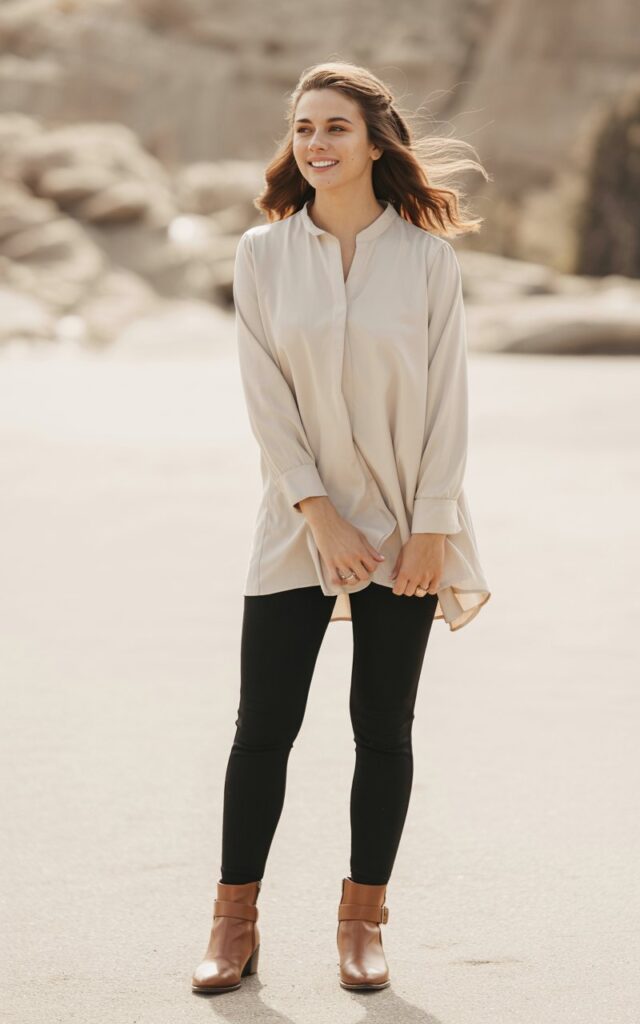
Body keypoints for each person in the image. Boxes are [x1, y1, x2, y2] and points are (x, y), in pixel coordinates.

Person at [192, 59, 492, 996]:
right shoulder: (262, 254)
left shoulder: (430, 261)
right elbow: (265, 400)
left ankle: (362, 921)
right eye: (303, 128)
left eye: (334, 128)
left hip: (409, 524)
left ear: (373, 143)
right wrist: (317, 514)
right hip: (296, 524)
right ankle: (232, 923)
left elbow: (448, 405)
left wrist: (432, 528)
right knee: (263, 729)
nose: (314, 144)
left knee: (383, 731)